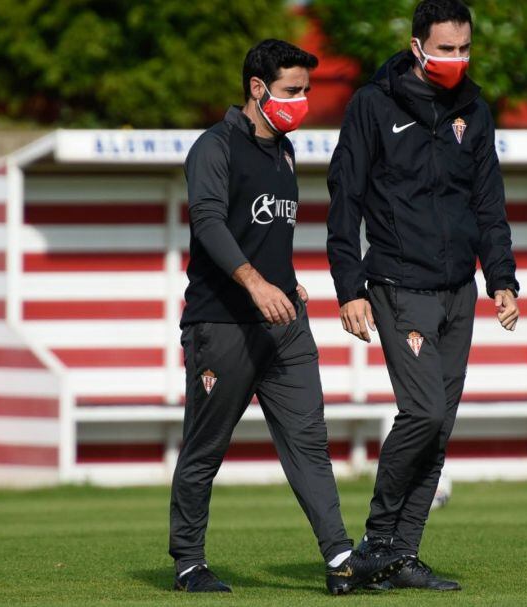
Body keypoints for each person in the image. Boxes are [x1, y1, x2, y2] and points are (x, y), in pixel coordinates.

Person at [169, 38, 401, 595]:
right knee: (205, 446)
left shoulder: (286, 151)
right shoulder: (215, 147)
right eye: (292, 90)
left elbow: (265, 228)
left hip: (285, 324)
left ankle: (341, 558)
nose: (302, 100)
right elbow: (208, 221)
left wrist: (284, 277)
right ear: (257, 88)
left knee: (309, 441)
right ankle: (188, 563)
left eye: (306, 90)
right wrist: (253, 281)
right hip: (222, 325)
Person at [326, 0, 520, 592]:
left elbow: (489, 203)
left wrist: (503, 279)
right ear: (417, 48)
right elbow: (345, 199)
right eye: (444, 49)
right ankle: (377, 539)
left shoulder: (474, 110)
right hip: (397, 285)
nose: (455, 60)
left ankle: (401, 556)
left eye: (464, 49)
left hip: (460, 290)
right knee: (424, 412)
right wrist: (348, 287)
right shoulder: (372, 105)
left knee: (441, 428)